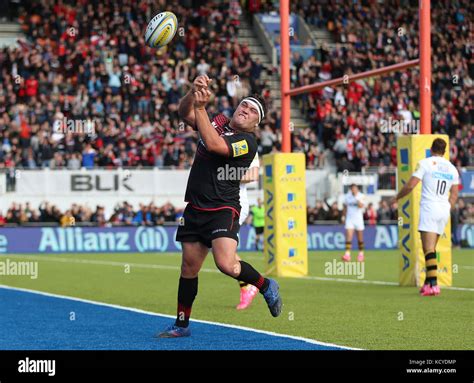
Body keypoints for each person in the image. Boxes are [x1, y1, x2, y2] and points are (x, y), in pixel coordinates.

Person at [159, 75, 282, 338]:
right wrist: (193, 93)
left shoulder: (247, 142)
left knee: (226, 264)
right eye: (243, 106)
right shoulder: (219, 120)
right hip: (195, 206)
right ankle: (181, 325)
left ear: (255, 123)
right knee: (188, 268)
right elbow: (184, 114)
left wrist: (201, 108)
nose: (244, 111)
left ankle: (265, 285)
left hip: (222, 208)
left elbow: (214, 145)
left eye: (251, 111)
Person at [392, 138, 459, 296]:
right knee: (431, 248)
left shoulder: (425, 163)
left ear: (431, 149)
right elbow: (455, 194)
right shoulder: (452, 169)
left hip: (430, 207)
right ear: (444, 151)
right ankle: (428, 283)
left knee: (428, 248)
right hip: (443, 209)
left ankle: (434, 286)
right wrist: (448, 206)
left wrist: (397, 197)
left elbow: (411, 185)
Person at [235, 153, 260, 310]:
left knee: (224, 252)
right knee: (220, 252)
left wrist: (222, 176)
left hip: (234, 203)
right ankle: (248, 285)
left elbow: (253, 175)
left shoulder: (247, 143)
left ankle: (251, 284)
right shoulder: (218, 138)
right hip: (216, 203)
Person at [341, 184, 366, 262]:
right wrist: (343, 216)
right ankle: (347, 254)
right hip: (350, 219)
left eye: (355, 189)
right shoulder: (347, 196)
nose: (353, 190)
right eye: (352, 189)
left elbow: (361, 206)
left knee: (360, 238)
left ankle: (361, 254)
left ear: (357, 189)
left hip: (358, 219)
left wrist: (356, 198)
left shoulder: (361, 196)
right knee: (349, 236)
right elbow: (345, 207)